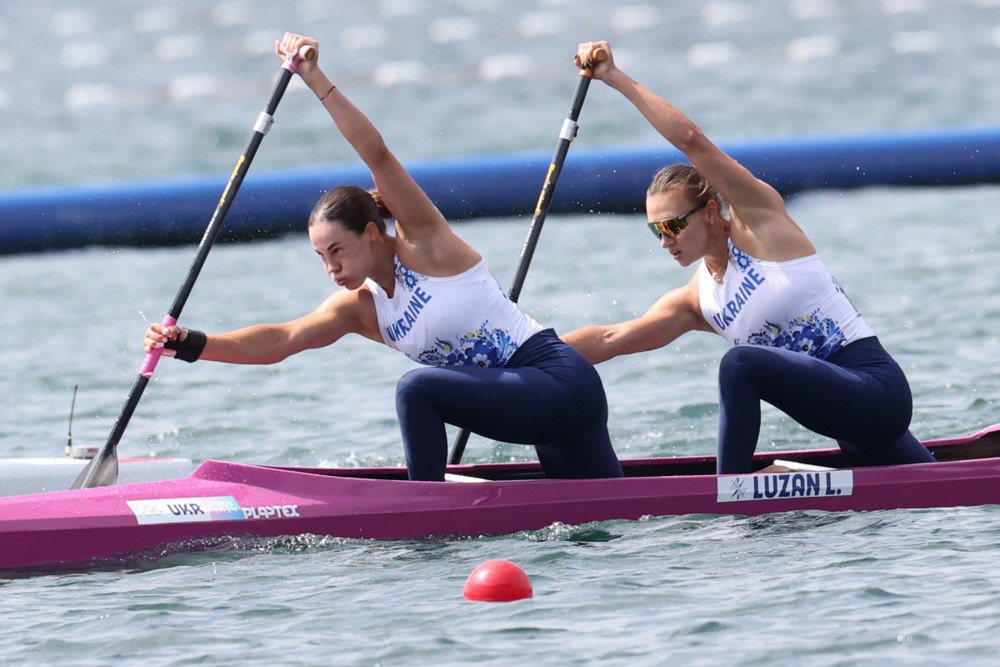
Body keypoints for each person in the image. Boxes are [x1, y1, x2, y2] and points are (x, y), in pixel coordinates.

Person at [144, 33, 623, 482]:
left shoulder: (425, 243)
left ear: (373, 233)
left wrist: (313, 76)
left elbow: (375, 153)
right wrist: (190, 343)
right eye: (320, 255)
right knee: (607, 518)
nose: (330, 266)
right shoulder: (361, 308)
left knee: (416, 388)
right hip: (534, 411)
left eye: (337, 250)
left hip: (559, 382)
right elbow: (281, 340)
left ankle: (425, 517)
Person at [562, 40, 935, 474]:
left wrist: (614, 78)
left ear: (710, 211)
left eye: (673, 225)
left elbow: (691, 140)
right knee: (938, 488)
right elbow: (608, 340)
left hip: (877, 392)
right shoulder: (697, 299)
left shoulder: (760, 223)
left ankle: (730, 491)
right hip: (850, 424)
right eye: (655, 230)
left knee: (740, 363)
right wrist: (526, 356)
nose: (665, 241)